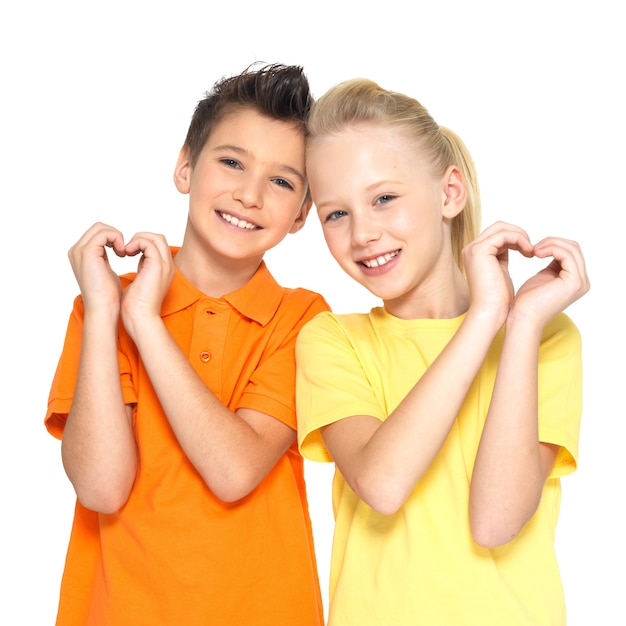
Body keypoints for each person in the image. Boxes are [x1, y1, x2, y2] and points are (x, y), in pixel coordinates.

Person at [295, 78, 590, 626]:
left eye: (384, 198)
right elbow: (383, 484)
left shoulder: (545, 336)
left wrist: (518, 322)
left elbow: (495, 521)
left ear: (449, 193)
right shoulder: (332, 339)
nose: (363, 233)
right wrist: (483, 316)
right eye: (336, 214)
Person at [45, 63, 329, 626]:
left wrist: (145, 323)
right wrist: (108, 314)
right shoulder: (100, 307)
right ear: (184, 166)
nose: (249, 194)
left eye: (281, 181)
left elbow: (234, 470)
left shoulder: (302, 318)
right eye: (231, 162)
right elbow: (101, 487)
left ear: (301, 214)